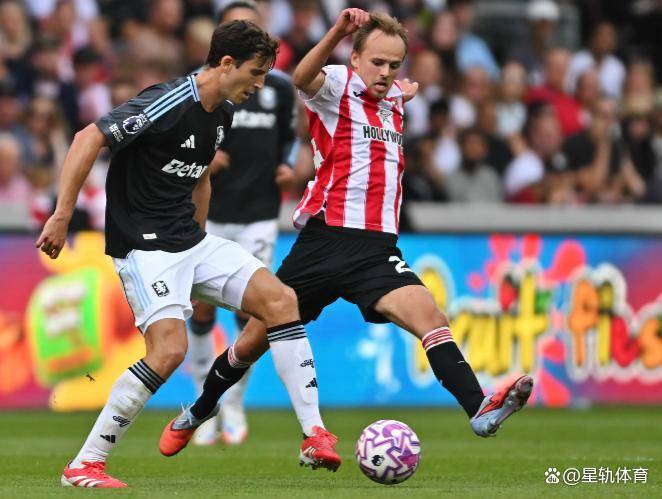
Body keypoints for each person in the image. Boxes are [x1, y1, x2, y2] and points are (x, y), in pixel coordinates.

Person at [160, 8, 534, 472]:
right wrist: (338, 31)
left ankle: (479, 409)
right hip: (324, 242)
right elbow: (301, 77)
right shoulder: (336, 84)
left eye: (394, 65)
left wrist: (401, 90)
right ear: (354, 59)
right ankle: (199, 411)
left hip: (376, 249)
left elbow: (393, 92)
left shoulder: (393, 99)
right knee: (251, 341)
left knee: (431, 318)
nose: (386, 72)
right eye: (377, 62)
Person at [37, 20, 317, 488]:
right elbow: (89, 136)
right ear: (225, 63)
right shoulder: (167, 101)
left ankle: (314, 435)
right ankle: (84, 464)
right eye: (256, 72)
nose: (260, 85)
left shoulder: (222, 114)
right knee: (169, 351)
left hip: (189, 240)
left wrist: (199, 245)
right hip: (143, 245)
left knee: (281, 300)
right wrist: (62, 215)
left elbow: (200, 178)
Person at [185, 0, 303, 447]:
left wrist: (289, 166)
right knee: (200, 308)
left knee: (251, 311)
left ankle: (232, 401)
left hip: (258, 213)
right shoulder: (200, 86)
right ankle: (204, 403)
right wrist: (205, 156)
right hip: (209, 212)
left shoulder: (277, 87)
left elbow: (292, 138)